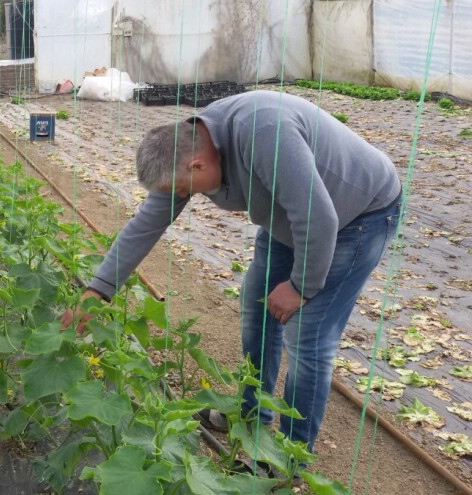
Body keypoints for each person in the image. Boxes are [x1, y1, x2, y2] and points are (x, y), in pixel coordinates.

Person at [62, 90, 402, 457]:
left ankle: (288, 456)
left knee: (308, 337)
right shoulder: (184, 154)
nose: (179, 196)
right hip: (290, 216)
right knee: (258, 307)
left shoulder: (265, 134)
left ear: (197, 167)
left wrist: (301, 286)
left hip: (358, 216)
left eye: (180, 190)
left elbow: (319, 218)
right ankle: (253, 411)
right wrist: (98, 291)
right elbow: (146, 224)